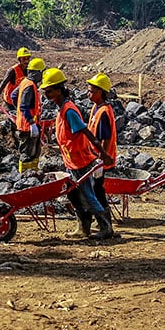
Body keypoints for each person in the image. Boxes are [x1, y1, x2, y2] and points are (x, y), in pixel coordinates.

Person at [40, 68, 116, 240]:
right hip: (72, 160)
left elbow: (87, 132)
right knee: (74, 194)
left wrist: (102, 155)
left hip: (81, 160)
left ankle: (105, 226)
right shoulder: (62, 108)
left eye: (48, 91)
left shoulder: (69, 110)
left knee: (88, 195)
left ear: (58, 90)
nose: (46, 94)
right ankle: (84, 227)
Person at [75, 72, 116, 237]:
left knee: (97, 191)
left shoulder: (104, 111)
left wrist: (100, 160)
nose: (88, 93)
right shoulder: (96, 108)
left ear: (100, 92)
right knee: (94, 190)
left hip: (100, 160)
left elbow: (105, 138)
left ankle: (106, 227)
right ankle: (96, 225)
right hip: (94, 157)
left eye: (91, 91)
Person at [14, 57, 46, 173]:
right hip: (28, 126)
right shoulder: (29, 86)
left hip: (27, 123)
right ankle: (25, 177)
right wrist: (31, 123)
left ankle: (33, 174)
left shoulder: (25, 82)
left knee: (34, 151)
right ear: (37, 72)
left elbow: (14, 96)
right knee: (27, 152)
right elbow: (23, 105)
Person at [0, 47, 32, 114]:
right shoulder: (12, 70)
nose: (26, 61)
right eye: (24, 59)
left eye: (28, 58)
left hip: (20, 98)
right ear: (19, 59)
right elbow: (3, 83)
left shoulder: (29, 69)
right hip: (10, 99)